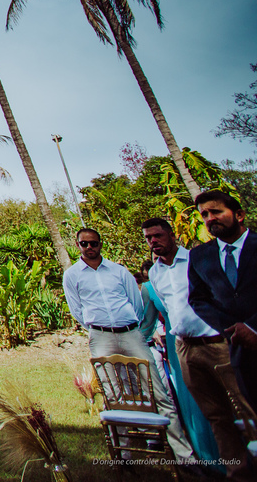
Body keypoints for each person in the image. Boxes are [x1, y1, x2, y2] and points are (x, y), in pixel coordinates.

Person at [62, 227, 191, 460]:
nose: (89, 247)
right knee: (113, 394)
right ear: (78, 245)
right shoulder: (72, 275)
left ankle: (184, 455)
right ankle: (124, 455)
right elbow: (76, 310)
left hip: (131, 333)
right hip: (100, 336)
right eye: (84, 244)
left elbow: (137, 304)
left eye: (93, 243)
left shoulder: (118, 271)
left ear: (100, 244)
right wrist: (98, 327)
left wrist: (128, 326)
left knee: (157, 390)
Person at [142, 217, 223, 467]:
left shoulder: (197, 260)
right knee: (197, 406)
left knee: (233, 400)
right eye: (148, 238)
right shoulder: (154, 273)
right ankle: (211, 462)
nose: (153, 241)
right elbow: (168, 309)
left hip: (215, 339)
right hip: (183, 345)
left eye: (158, 235)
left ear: (172, 235)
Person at [187, 190, 257, 478]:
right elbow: (198, 299)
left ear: (238, 215)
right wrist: (235, 330)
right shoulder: (200, 255)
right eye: (204, 214)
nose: (209, 218)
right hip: (241, 350)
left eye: (216, 211)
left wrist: (253, 327)